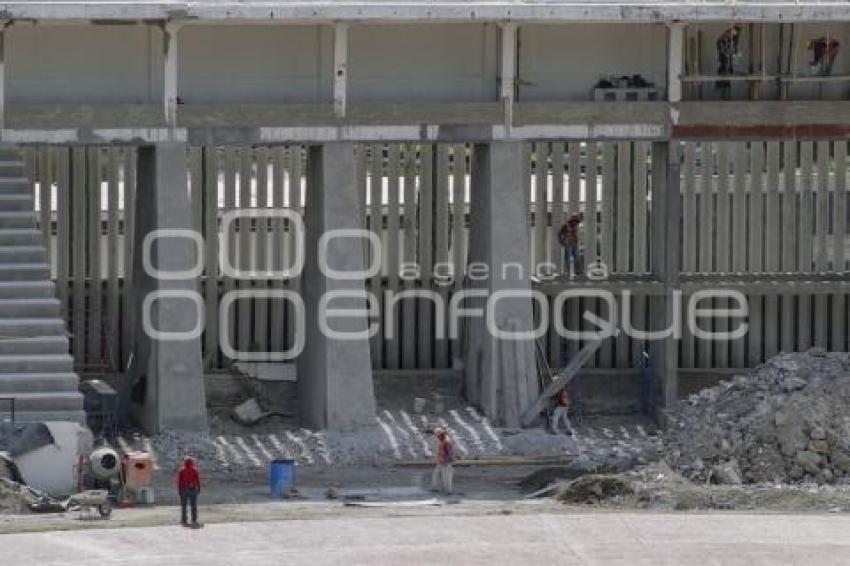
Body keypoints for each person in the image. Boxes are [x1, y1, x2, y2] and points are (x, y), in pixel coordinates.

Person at [716, 25, 742, 98]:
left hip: (726, 60)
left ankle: (726, 94)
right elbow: (724, 48)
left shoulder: (732, 36)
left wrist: (734, 52)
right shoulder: (728, 35)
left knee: (727, 75)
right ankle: (724, 95)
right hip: (724, 60)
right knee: (724, 74)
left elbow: (734, 48)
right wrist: (731, 51)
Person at [177, 456, 201, 528]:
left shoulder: (181, 470)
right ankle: (194, 520)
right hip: (193, 489)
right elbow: (198, 480)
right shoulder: (194, 470)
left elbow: (179, 481)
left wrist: (179, 490)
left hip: (183, 489)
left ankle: (184, 520)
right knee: (193, 506)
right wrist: (199, 489)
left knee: (184, 506)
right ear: (192, 462)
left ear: (184, 462)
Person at [432, 427, 457, 495]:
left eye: (437, 435)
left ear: (440, 435)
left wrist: (446, 462)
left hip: (447, 462)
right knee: (443, 476)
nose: (436, 437)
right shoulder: (442, 441)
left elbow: (450, 453)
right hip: (443, 461)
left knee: (447, 477)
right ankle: (445, 490)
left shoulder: (446, 441)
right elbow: (441, 452)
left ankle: (449, 491)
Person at [558, 212, 584, 277]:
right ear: (572, 219)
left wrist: (581, 214)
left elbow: (580, 220)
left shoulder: (575, 223)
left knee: (577, 257)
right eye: (574, 220)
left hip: (574, 243)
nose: (575, 223)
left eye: (576, 220)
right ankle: (569, 272)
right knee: (568, 258)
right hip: (567, 244)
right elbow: (559, 234)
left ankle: (578, 271)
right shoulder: (566, 225)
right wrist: (562, 242)